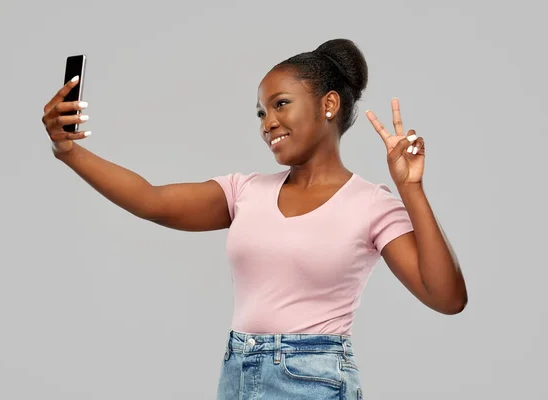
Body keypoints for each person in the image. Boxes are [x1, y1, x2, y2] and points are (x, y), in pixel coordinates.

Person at [41, 38, 468, 399]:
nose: (269, 123)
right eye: (262, 113)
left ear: (329, 105)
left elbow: (447, 298)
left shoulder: (370, 204)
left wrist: (411, 190)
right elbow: (152, 200)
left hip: (314, 380)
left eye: (281, 104)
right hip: (238, 373)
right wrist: (69, 151)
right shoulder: (246, 191)